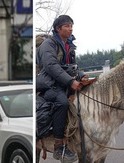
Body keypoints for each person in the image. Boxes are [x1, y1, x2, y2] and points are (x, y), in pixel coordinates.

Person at [36, 15, 88, 162]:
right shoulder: (49, 44)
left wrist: (82, 76)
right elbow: (51, 66)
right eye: (67, 26)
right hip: (49, 84)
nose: (70, 28)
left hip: (64, 82)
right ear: (58, 29)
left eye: (71, 26)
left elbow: (73, 66)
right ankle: (59, 146)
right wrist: (70, 82)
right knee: (63, 103)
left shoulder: (69, 46)